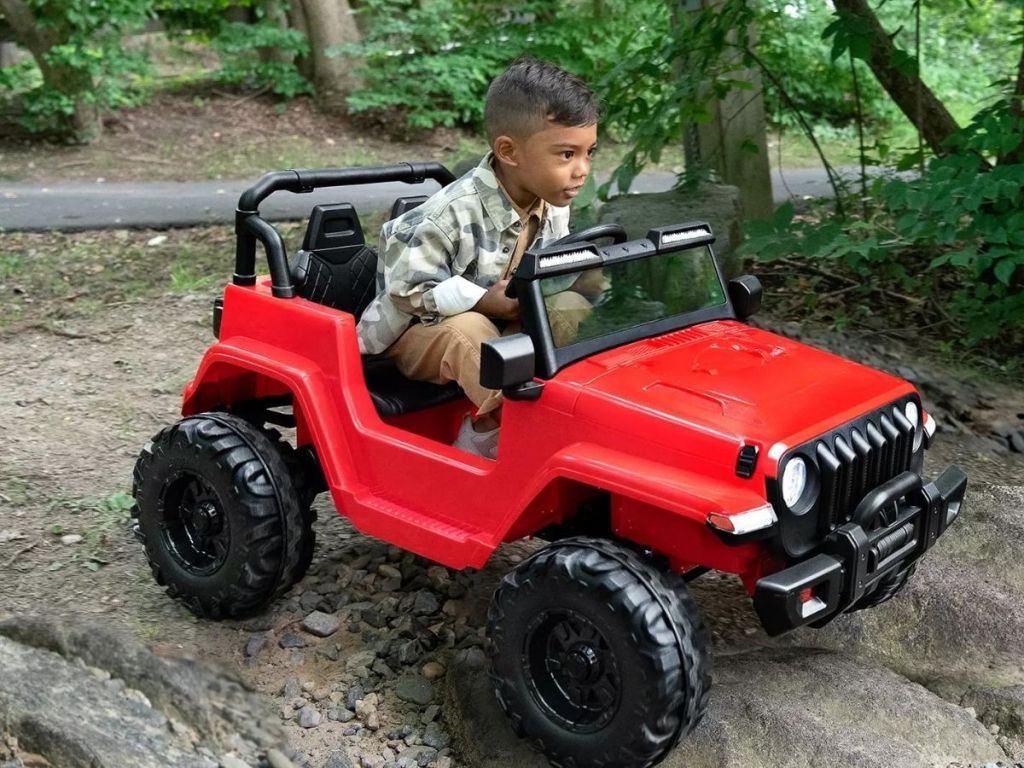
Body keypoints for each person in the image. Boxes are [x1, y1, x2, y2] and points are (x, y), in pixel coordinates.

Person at [356, 57, 599, 459]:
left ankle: (577, 413)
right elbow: (406, 290)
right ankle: (485, 436)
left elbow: (551, 270)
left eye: (589, 152)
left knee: (573, 308)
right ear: (508, 151)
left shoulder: (554, 203)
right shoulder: (445, 214)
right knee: (468, 331)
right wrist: (482, 301)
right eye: (566, 154)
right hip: (419, 333)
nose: (582, 170)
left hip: (503, 320)